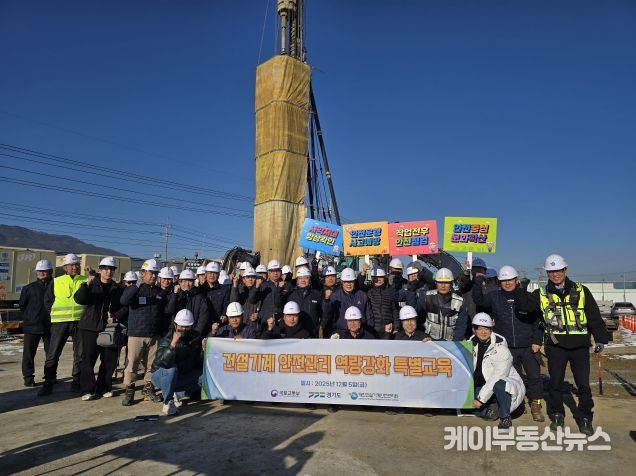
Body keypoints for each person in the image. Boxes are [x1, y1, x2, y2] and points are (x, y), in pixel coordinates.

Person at [516, 254, 608, 435]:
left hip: (580, 347)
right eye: (551, 271)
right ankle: (557, 415)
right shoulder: (541, 293)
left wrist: (600, 338)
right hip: (556, 347)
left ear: (565, 270)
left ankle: (585, 418)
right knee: (555, 384)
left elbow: (594, 316)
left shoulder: (581, 290)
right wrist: (522, 288)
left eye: (558, 270)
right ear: (547, 273)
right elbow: (524, 307)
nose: (555, 274)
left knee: (583, 385)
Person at [472, 265, 545, 422]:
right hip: (507, 347)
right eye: (504, 280)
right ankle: (519, 403)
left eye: (510, 280)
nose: (507, 283)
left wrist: (537, 340)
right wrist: (477, 282)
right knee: (513, 379)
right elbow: (479, 300)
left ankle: (536, 404)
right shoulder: (495, 297)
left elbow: (538, 321)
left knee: (534, 377)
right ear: (499, 282)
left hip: (528, 345)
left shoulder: (527, 297)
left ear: (516, 280)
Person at [119, 258, 170, 406]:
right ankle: (129, 391)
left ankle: (148, 389)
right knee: (132, 364)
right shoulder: (135, 289)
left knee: (151, 365)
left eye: (155, 273)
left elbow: (163, 311)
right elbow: (124, 301)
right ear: (142, 273)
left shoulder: (158, 291)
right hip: (136, 334)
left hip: (154, 334)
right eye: (150, 272)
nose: (153, 276)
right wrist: (136, 286)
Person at [74, 257, 123, 401]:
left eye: (111, 269)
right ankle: (87, 389)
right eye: (105, 269)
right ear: (100, 270)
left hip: (109, 329)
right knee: (88, 359)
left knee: (109, 359)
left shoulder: (117, 288)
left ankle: (104, 387)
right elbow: (79, 299)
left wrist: (115, 317)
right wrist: (86, 285)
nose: (109, 272)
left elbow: (123, 307)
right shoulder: (92, 284)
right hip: (90, 326)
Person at [39, 253, 87, 396]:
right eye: (71, 265)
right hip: (60, 323)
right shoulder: (56, 281)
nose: (74, 267)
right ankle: (48, 382)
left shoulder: (85, 280)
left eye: (76, 264)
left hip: (79, 321)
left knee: (80, 354)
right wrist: (54, 314)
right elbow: (48, 301)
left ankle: (76, 381)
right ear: (65, 267)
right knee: (53, 353)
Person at [470, 313, 525, 429]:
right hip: (484, 386)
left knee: (499, 385)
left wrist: (481, 399)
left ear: (491, 329)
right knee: (466, 402)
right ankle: (493, 407)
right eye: (479, 328)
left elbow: (497, 377)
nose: (483, 332)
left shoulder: (502, 349)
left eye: (486, 328)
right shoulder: (470, 345)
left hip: (504, 385)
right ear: (474, 329)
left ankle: (505, 416)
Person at [151, 309, 202, 415]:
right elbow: (163, 363)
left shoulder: (195, 337)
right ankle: (167, 402)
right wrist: (173, 345)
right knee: (171, 369)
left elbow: (196, 361)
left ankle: (178, 394)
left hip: (182, 374)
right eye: (181, 326)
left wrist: (204, 351)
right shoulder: (167, 339)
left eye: (187, 326)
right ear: (175, 325)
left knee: (204, 377)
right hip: (160, 375)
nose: (184, 329)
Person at [20, 259, 53, 387]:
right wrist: (30, 318)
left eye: (44, 271)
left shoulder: (56, 286)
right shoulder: (29, 288)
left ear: (50, 271)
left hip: (50, 326)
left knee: (51, 354)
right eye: (39, 271)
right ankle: (28, 378)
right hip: (32, 326)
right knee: (28, 354)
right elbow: (22, 305)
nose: (41, 273)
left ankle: (50, 377)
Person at [417, 268, 468, 341]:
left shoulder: (460, 302)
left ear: (451, 283)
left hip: (451, 342)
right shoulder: (427, 297)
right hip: (430, 341)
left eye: (446, 282)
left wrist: (454, 343)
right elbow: (418, 319)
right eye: (440, 282)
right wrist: (423, 336)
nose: (443, 286)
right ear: (435, 283)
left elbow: (461, 326)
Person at [286, 267, 331, 337]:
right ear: (297, 280)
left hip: (313, 333)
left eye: (306, 278)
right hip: (296, 333)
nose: (303, 280)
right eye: (300, 278)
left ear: (310, 279)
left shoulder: (317, 294)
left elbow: (325, 313)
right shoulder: (291, 296)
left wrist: (321, 325)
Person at [165, 269, 209, 338]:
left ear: (194, 282)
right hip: (176, 333)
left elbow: (203, 318)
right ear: (180, 282)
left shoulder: (200, 297)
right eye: (184, 281)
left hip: (193, 334)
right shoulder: (175, 295)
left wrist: (196, 334)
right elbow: (169, 311)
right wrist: (175, 294)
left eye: (190, 281)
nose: (187, 284)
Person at [329, 268, 374, 332]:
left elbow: (369, 317)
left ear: (354, 281)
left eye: (351, 281)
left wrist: (369, 332)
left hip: (361, 332)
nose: (348, 284)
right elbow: (331, 317)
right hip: (341, 332)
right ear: (342, 282)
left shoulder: (363, 296)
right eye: (346, 281)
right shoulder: (335, 297)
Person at [366, 267, 398, 339]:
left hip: (388, 329)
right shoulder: (368, 291)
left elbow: (395, 310)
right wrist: (362, 273)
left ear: (384, 278)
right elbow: (359, 285)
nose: (378, 280)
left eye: (381, 277)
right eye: (375, 277)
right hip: (373, 329)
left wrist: (396, 327)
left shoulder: (390, 292)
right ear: (372, 279)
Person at [202, 261, 230, 328]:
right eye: (210, 273)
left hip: (218, 325)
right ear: (205, 274)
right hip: (202, 326)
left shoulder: (224, 290)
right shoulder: (199, 290)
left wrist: (224, 315)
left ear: (219, 274)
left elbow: (226, 306)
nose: (212, 275)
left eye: (215, 273)